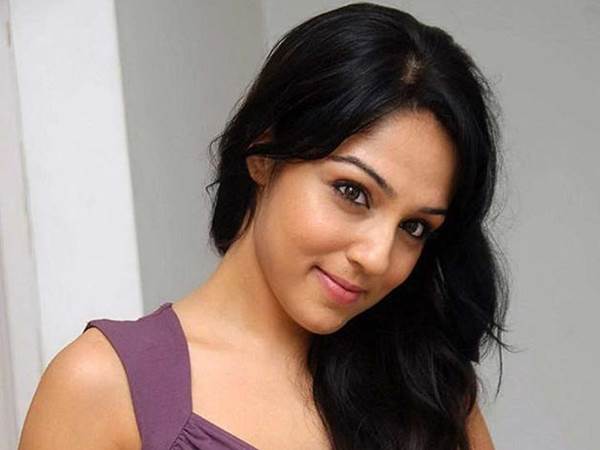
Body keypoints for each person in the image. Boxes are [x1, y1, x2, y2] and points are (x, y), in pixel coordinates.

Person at [18, 2, 510, 449]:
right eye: (353, 192)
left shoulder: (429, 391)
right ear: (263, 153)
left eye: (415, 227)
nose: (377, 257)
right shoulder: (104, 386)